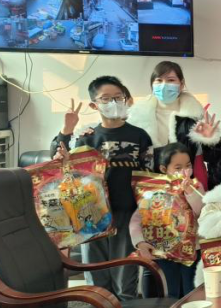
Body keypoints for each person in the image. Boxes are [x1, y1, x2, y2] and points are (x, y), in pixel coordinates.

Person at [50, 76, 152, 302]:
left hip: (127, 215)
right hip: (91, 217)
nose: (113, 103)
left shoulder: (139, 136)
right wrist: (67, 129)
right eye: (106, 99)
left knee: (125, 281)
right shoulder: (86, 138)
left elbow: (148, 177)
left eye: (118, 97)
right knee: (96, 283)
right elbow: (57, 162)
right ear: (94, 105)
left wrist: (145, 213)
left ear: (126, 99)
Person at [128, 61, 221, 190]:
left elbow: (212, 158)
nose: (164, 85)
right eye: (159, 80)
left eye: (171, 80)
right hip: (150, 185)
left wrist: (208, 140)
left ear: (181, 84)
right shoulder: (137, 115)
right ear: (152, 84)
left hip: (187, 184)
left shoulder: (196, 115)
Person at [131, 144, 203, 299]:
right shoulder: (152, 190)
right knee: (167, 292)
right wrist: (140, 242)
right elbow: (137, 220)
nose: (185, 171)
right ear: (164, 169)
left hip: (191, 250)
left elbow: (201, 211)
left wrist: (190, 192)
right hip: (161, 251)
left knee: (191, 291)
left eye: (188, 166)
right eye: (178, 168)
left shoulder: (196, 186)